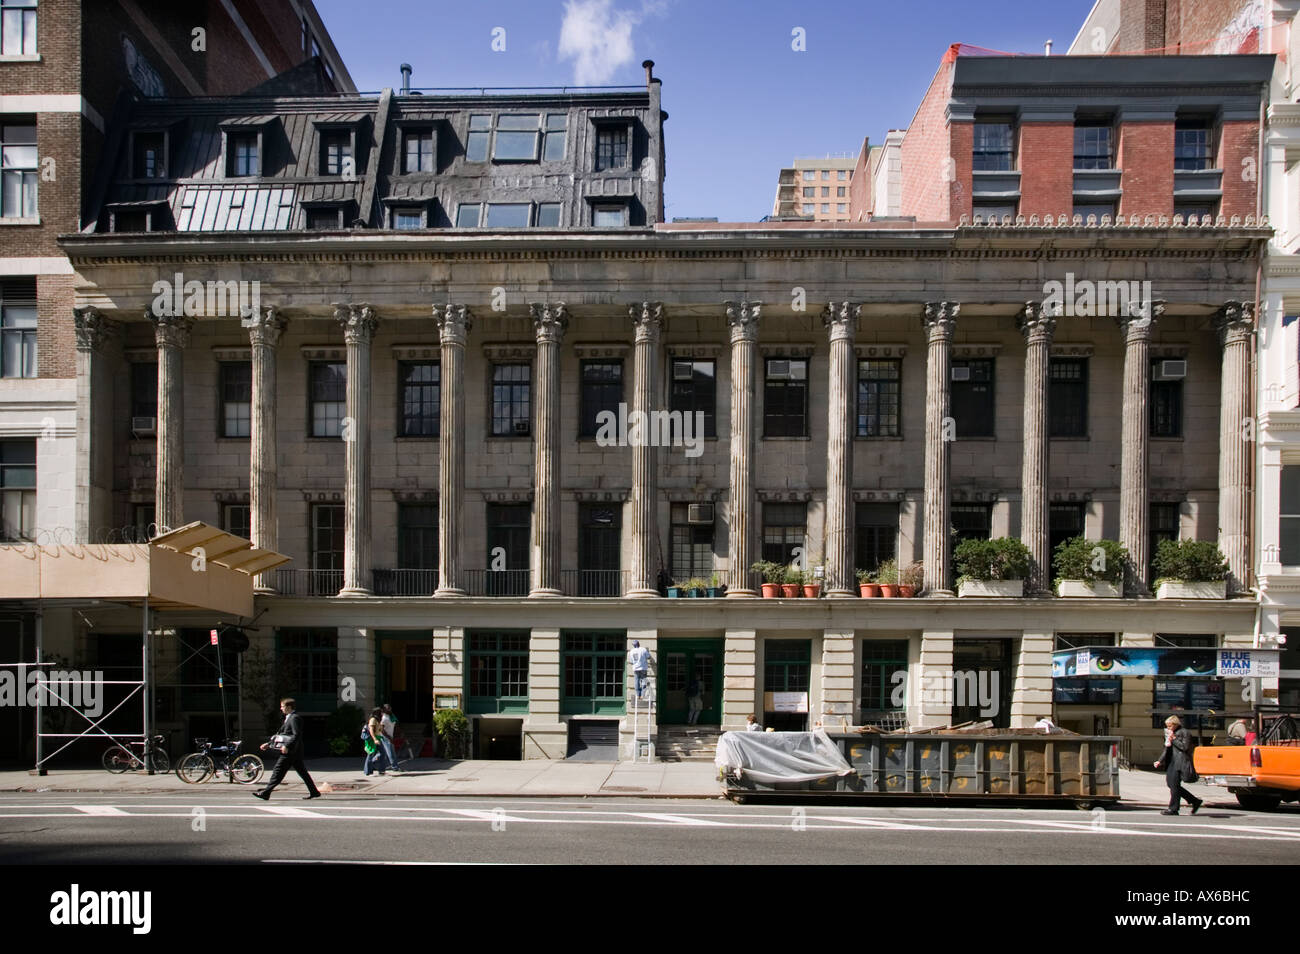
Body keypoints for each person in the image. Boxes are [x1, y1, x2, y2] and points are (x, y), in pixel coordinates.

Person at [254, 698, 320, 800]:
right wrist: (269, 744)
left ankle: (266, 792)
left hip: (290, 751)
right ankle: (314, 791)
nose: (281, 708)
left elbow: (296, 734)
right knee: (302, 773)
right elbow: (282, 734)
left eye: (282, 706)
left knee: (278, 771)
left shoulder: (294, 718)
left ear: (289, 707)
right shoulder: (289, 717)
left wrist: (287, 746)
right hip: (294, 751)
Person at [1154, 715, 1202, 816]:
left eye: (1170, 726)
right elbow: (1167, 749)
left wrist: (1174, 739)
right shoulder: (1171, 733)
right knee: (1171, 784)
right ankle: (1194, 801)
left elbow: (1185, 747)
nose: (1168, 728)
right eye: (1167, 726)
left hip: (1180, 762)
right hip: (1171, 761)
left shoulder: (1184, 732)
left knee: (1174, 785)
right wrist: (1160, 760)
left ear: (1175, 724)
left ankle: (1173, 808)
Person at [363, 707, 387, 776]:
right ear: (378, 713)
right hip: (373, 739)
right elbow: (371, 730)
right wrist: (375, 739)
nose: (382, 714)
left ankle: (381, 770)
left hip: (378, 738)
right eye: (381, 712)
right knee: (371, 754)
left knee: (383, 753)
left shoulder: (378, 720)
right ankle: (368, 771)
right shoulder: (373, 720)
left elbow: (379, 730)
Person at [380, 703, 402, 773]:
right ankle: (395, 767)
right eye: (388, 708)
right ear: (385, 709)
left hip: (390, 736)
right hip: (385, 737)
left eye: (390, 708)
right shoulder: (384, 718)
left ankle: (373, 762)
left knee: (388, 753)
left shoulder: (391, 716)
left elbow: (395, 725)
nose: (390, 709)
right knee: (390, 753)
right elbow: (381, 729)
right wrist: (388, 737)